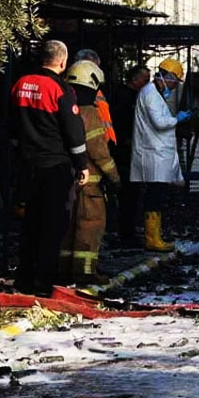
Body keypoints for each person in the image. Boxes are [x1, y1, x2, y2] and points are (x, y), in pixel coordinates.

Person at [10, 40, 88, 296]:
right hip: (55, 167)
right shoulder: (60, 89)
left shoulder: (20, 84)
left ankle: (23, 278)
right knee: (52, 225)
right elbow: (73, 132)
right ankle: (43, 283)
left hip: (26, 165)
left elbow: (11, 125)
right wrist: (82, 166)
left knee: (30, 222)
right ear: (63, 63)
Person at [57, 60, 120, 284]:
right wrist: (114, 177)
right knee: (89, 227)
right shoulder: (90, 113)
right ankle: (85, 272)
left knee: (68, 227)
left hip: (67, 181)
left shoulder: (63, 108)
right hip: (90, 185)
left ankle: (64, 269)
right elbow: (99, 152)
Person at [131, 58, 192, 252]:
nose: (174, 87)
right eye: (174, 82)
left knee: (157, 196)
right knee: (155, 196)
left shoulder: (153, 94)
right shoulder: (150, 94)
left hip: (156, 154)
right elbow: (159, 122)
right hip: (153, 155)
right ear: (167, 78)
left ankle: (155, 236)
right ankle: (152, 239)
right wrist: (177, 119)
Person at [109, 65, 151, 246]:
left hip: (130, 151)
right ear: (134, 80)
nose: (147, 84)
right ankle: (126, 234)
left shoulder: (131, 96)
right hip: (125, 153)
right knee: (129, 194)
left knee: (131, 195)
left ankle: (127, 231)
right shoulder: (125, 97)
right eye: (145, 79)